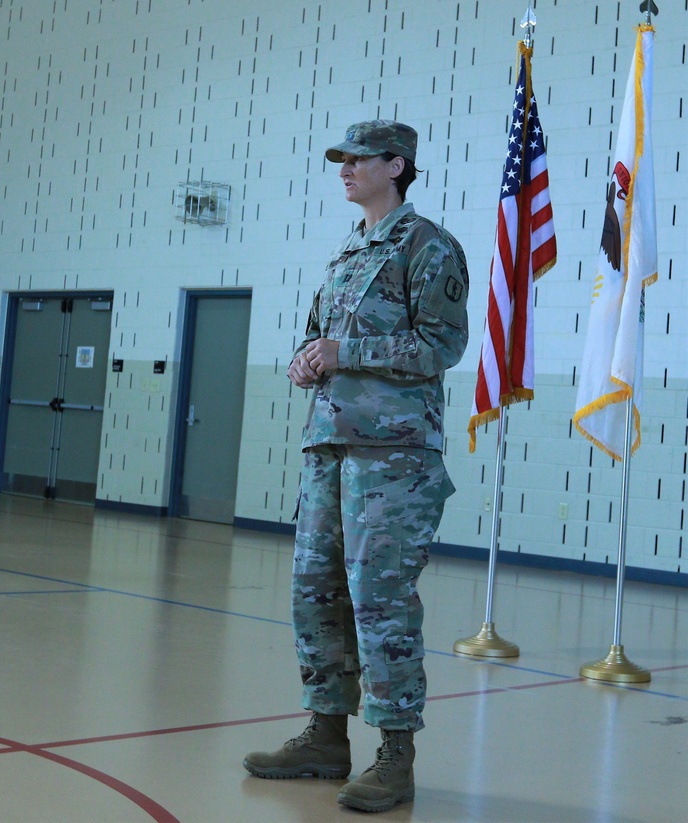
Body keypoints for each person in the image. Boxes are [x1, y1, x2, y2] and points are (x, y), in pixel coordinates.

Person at [243, 120, 469, 813]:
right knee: (315, 593)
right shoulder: (348, 251)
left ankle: (395, 756)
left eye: (358, 158)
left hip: (393, 457)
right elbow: (326, 337)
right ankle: (324, 734)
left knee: (381, 602)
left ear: (396, 164)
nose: (344, 168)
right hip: (330, 446)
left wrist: (347, 353)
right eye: (340, 159)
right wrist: (310, 357)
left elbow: (440, 346)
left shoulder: (428, 246)